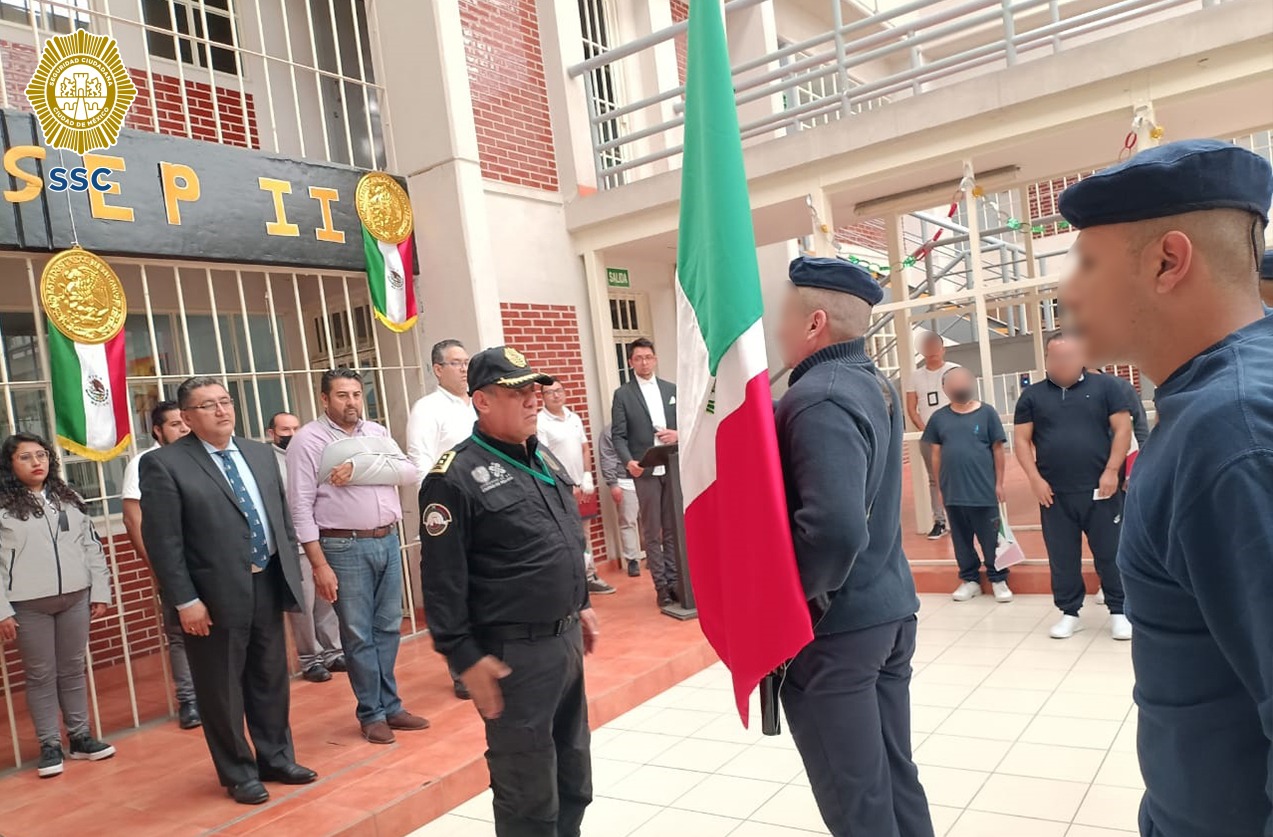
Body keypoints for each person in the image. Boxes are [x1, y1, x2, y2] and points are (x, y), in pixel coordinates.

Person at [1058, 139, 1273, 837]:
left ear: (1167, 261)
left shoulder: (1233, 433)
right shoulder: (1208, 401)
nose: (1067, 289)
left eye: (1087, 263)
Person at [774, 256, 933, 837]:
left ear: (815, 323)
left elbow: (835, 529)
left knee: (857, 803)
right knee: (893, 780)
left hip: (836, 629)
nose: (776, 330)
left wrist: (794, 605)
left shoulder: (819, 397)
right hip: (884, 610)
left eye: (785, 318)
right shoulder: (870, 381)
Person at [420, 345, 599, 837]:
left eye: (534, 389)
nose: (533, 400)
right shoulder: (454, 476)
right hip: (512, 656)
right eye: (517, 391)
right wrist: (462, 655)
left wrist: (579, 602)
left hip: (562, 645)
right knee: (528, 796)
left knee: (573, 779)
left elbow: (560, 535)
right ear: (481, 400)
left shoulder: (539, 456)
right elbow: (441, 581)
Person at [140, 377, 315, 804]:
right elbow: (165, 542)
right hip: (211, 597)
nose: (221, 411)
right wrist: (186, 600)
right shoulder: (165, 464)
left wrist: (290, 568)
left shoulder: (257, 453)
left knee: (270, 677)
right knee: (221, 687)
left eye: (225, 401)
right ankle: (239, 771)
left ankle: (276, 757)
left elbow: (280, 519)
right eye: (207, 405)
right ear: (185, 417)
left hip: (266, 581)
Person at [287, 368, 428, 745]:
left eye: (355, 394)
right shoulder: (308, 441)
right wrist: (318, 563)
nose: (351, 402)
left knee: (387, 627)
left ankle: (392, 706)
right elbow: (299, 506)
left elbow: (409, 472)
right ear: (324, 399)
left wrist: (359, 469)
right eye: (342, 395)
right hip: (342, 547)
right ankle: (371, 713)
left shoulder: (377, 433)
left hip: (386, 540)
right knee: (358, 633)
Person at [0, 434, 115, 779]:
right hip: (28, 604)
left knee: (72, 669)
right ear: (9, 465)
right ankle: (50, 744)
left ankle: (80, 737)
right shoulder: (3, 508)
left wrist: (100, 591)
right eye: (26, 457)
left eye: (42, 455)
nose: (37, 462)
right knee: (40, 674)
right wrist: (2, 610)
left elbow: (91, 547)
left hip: (76, 597)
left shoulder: (70, 499)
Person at [1013, 332, 1132, 641]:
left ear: (1082, 357)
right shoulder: (1032, 396)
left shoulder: (1108, 388)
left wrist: (1112, 471)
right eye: (1055, 357)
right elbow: (1022, 441)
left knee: (1110, 551)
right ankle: (1070, 612)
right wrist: (1035, 479)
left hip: (1101, 489)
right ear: (1047, 359)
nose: (1062, 362)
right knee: (1062, 556)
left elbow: (1122, 430)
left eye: (1069, 356)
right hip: (1053, 493)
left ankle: (1119, 611)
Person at [121, 400, 200, 729]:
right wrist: (156, 566)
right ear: (157, 430)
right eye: (174, 425)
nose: (183, 429)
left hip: (209, 558)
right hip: (173, 562)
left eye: (185, 423)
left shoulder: (199, 456)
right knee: (181, 633)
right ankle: (190, 700)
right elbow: (133, 518)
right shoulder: (143, 462)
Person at [406, 339, 478, 699]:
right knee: (455, 592)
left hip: (485, 512)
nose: (465, 368)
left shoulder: (479, 402)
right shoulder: (428, 408)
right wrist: (438, 509)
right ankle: (462, 670)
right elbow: (420, 462)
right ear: (438, 369)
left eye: (467, 362)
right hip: (450, 515)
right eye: (456, 363)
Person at [921, 367, 1011, 604]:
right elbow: (936, 455)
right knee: (961, 539)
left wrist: (999, 483)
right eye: (954, 384)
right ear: (945, 389)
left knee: (991, 538)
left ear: (971, 383)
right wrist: (940, 488)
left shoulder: (987, 413)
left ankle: (998, 579)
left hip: (984, 490)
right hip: (953, 491)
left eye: (963, 382)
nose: (959, 387)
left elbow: (998, 450)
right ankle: (970, 580)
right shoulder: (939, 418)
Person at [267, 412, 344, 683]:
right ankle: (310, 659)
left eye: (296, 427)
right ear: (271, 433)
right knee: (304, 605)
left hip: (322, 536)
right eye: (285, 429)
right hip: (294, 544)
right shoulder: (268, 462)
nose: (292, 433)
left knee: (327, 600)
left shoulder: (311, 453)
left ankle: (333, 652)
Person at [610, 338, 680, 606]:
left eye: (648, 357)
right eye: (638, 358)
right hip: (645, 469)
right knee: (652, 530)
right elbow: (618, 436)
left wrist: (677, 434)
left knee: (672, 528)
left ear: (655, 359)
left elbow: (684, 422)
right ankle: (661, 585)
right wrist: (629, 463)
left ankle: (675, 581)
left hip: (671, 466)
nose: (644, 362)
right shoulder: (623, 395)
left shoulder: (670, 389)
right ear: (630, 363)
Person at [538, 379, 615, 596]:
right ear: (542, 396)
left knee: (585, 533)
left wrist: (587, 476)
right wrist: (566, 484)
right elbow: (543, 457)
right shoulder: (540, 422)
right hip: (560, 489)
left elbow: (584, 448)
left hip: (583, 486)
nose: (556, 395)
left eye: (559, 390)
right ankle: (571, 581)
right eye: (550, 392)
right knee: (564, 534)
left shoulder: (574, 418)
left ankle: (589, 576)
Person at [905, 331, 959, 540]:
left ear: (942, 348)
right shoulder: (915, 376)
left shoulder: (953, 369)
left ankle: (959, 518)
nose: (931, 350)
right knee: (934, 479)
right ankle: (940, 521)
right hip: (929, 435)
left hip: (954, 432)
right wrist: (925, 428)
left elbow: (962, 397)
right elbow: (911, 407)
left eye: (934, 346)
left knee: (957, 474)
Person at [598, 423, 641, 577]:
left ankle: (656, 555)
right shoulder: (609, 432)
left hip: (649, 478)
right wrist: (613, 484)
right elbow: (607, 458)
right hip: (624, 481)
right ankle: (632, 560)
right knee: (627, 521)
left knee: (655, 519)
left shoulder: (645, 423)